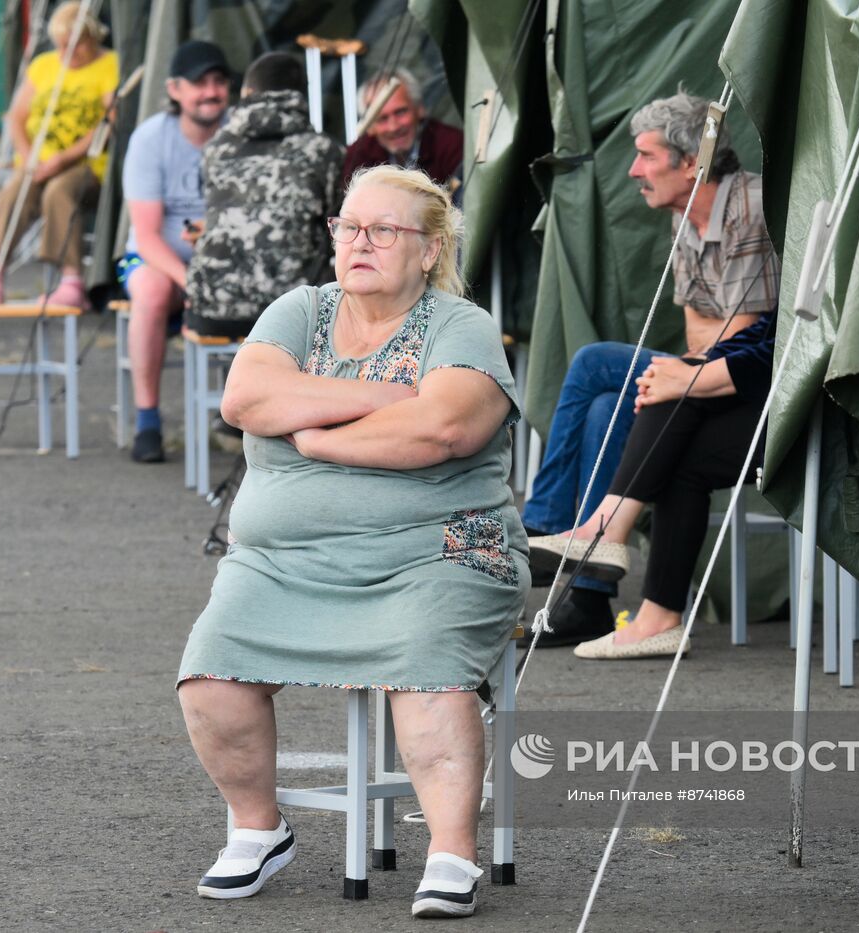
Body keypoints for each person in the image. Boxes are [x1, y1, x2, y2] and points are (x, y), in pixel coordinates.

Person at [176, 165, 526, 919]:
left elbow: (445, 426)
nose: (358, 242)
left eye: (382, 230)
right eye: (348, 227)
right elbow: (246, 397)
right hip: (286, 561)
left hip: (440, 548)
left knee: (428, 669)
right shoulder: (300, 310)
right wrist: (384, 397)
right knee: (211, 674)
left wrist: (318, 437)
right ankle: (257, 830)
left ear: (429, 250)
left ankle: (451, 851)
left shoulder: (459, 325)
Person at [521, 91, 780, 646]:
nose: (634, 170)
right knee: (603, 410)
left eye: (646, 156)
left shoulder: (749, 208)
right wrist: (689, 363)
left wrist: (688, 367)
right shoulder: (683, 215)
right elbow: (697, 336)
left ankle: (548, 526)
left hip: (746, 382)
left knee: (595, 363)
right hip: (711, 369)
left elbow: (744, 342)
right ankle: (589, 597)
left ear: (692, 164)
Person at [118, 40, 232, 463]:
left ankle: (246, 414)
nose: (210, 92)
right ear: (174, 90)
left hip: (223, 260)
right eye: (199, 83)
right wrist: (189, 281)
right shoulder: (150, 139)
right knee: (150, 289)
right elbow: (146, 236)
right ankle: (147, 419)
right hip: (154, 262)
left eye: (219, 82)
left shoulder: (241, 132)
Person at [184, 51, 343, 339]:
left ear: (247, 93)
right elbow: (339, 230)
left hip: (214, 309)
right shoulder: (324, 151)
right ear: (301, 96)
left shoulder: (215, 149)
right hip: (294, 311)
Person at [0, 2, 118, 308]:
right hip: (38, 162)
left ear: (92, 39)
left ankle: (71, 278)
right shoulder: (43, 65)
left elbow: (107, 123)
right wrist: (28, 158)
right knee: (14, 191)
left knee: (60, 190)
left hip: (85, 164)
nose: (67, 53)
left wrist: (62, 159)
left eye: (75, 45)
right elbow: (16, 117)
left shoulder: (109, 66)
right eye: (61, 46)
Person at [341, 68, 461, 191]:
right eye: (382, 118)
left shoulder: (452, 145)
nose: (393, 127)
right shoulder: (358, 154)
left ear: (419, 109)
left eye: (400, 112)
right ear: (370, 126)